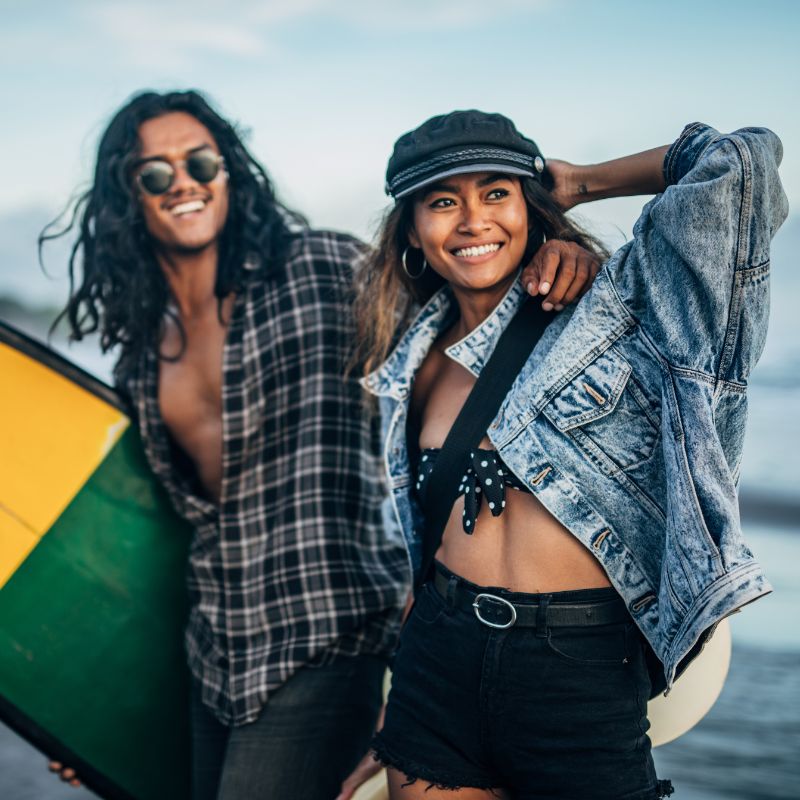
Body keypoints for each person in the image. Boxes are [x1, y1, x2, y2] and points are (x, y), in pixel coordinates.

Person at [42, 92, 599, 799]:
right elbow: (153, 534)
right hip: (213, 647)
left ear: (229, 172)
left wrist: (557, 256)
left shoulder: (323, 271)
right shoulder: (144, 349)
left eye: (201, 161)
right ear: (130, 196)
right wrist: (83, 710)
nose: (182, 182)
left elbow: (469, 300)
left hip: (326, 633)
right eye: (154, 173)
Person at [346, 111, 787, 799]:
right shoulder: (412, 361)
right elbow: (423, 550)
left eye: (496, 192)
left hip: (577, 674)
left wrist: (580, 183)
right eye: (442, 201)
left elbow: (740, 166)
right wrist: (395, 705)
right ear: (411, 231)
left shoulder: (619, 311)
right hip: (436, 668)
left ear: (530, 203)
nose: (471, 220)